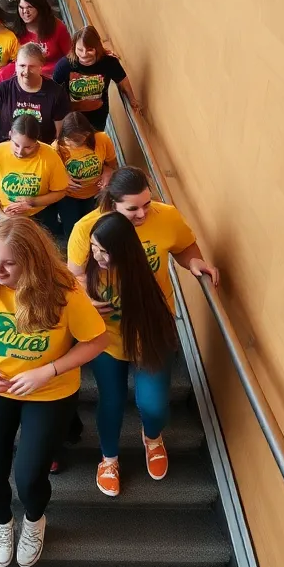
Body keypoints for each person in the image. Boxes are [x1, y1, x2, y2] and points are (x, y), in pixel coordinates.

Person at [0, 217, 109, 567]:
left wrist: (46, 370)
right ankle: (3, 521)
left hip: (50, 391)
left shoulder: (63, 288)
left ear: (32, 262)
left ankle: (34, 519)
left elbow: (97, 340)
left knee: (30, 476)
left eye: (9, 263)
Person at [83, 212, 180, 497]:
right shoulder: (92, 269)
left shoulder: (142, 275)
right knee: (110, 402)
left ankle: (152, 437)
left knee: (154, 405)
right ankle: (109, 459)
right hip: (107, 345)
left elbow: (158, 318)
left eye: (104, 250)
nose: (97, 256)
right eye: (94, 247)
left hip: (147, 342)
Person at [67, 166, 220, 309]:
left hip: (157, 310)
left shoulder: (167, 215)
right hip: (111, 318)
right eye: (132, 209)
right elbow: (76, 274)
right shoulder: (85, 228)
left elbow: (184, 247)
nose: (142, 214)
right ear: (113, 204)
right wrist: (87, 301)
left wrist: (193, 261)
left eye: (147, 204)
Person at [0, 115, 68, 235]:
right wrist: (1, 215)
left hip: (39, 213)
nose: (20, 152)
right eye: (16, 144)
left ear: (36, 141)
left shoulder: (50, 155)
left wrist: (32, 202)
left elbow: (60, 191)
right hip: (0, 209)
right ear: (10, 135)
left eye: (28, 147)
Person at [52, 25, 141, 132]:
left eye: (89, 50)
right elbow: (53, 90)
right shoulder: (65, 65)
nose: (84, 54)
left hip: (98, 116)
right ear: (74, 47)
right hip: (72, 117)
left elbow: (123, 81)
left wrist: (132, 99)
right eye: (80, 49)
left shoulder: (109, 63)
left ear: (97, 48)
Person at [0, 43, 70, 146]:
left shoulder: (56, 93)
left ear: (41, 66)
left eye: (32, 66)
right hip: (8, 149)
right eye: (22, 66)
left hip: (41, 152)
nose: (26, 71)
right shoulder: (2, 89)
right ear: (16, 65)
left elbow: (61, 130)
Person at [53, 112, 117, 240]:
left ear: (88, 134)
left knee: (90, 225)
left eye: (80, 139)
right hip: (68, 195)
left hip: (93, 193)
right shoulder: (56, 148)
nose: (76, 144)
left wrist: (108, 171)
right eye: (71, 140)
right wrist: (63, 177)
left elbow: (112, 164)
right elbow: (52, 174)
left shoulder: (102, 139)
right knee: (72, 228)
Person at [13, 0, 70, 76]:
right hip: (26, 75)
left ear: (40, 8)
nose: (25, 12)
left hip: (54, 74)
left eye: (29, 7)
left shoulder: (58, 27)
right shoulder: (17, 29)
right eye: (21, 7)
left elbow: (70, 57)